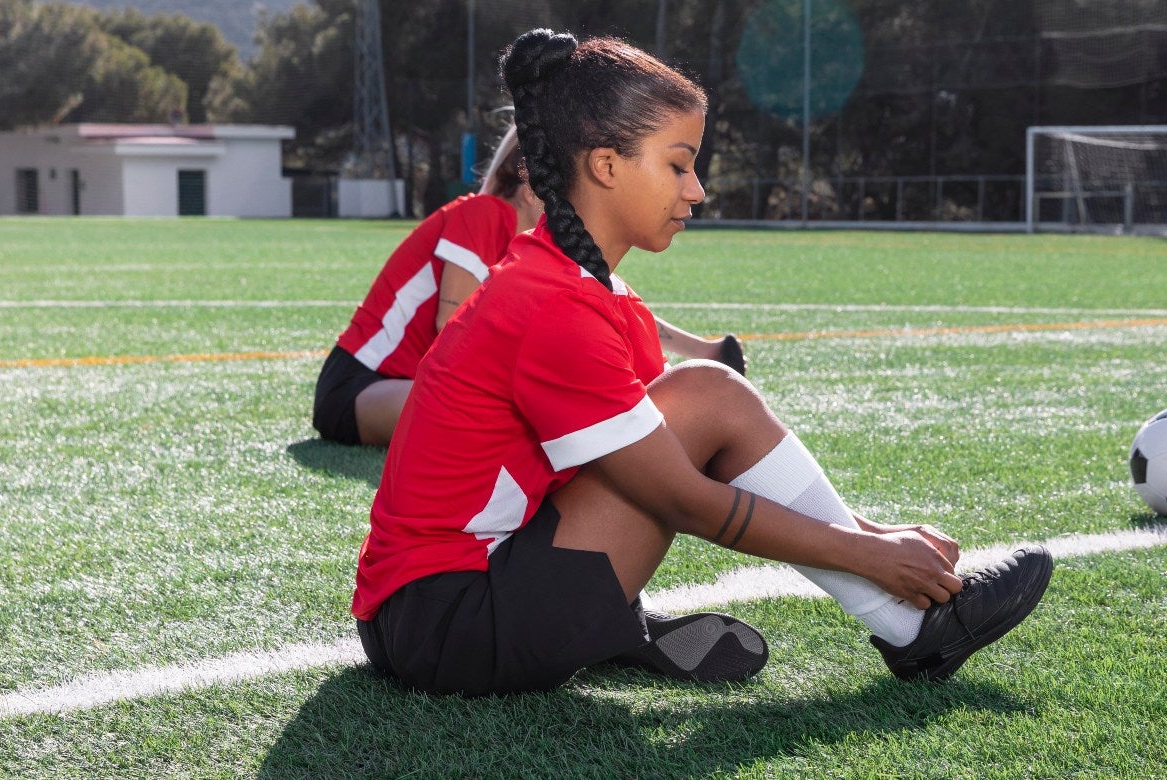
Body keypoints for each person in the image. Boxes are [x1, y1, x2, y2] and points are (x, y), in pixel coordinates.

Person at [351, 29, 1053, 697]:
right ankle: (910, 627)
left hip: (444, 596)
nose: (697, 190)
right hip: (443, 622)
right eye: (678, 164)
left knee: (706, 395)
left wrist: (875, 534)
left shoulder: (588, 289)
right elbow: (683, 499)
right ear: (605, 165)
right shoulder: (552, 305)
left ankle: (611, 624)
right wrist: (871, 554)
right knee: (709, 396)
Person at [312, 126, 746, 447]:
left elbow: (606, 308)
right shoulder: (481, 213)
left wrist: (702, 354)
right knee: (523, 415)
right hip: (359, 388)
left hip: (413, 385)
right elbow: (450, 324)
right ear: (527, 185)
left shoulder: (535, 248)